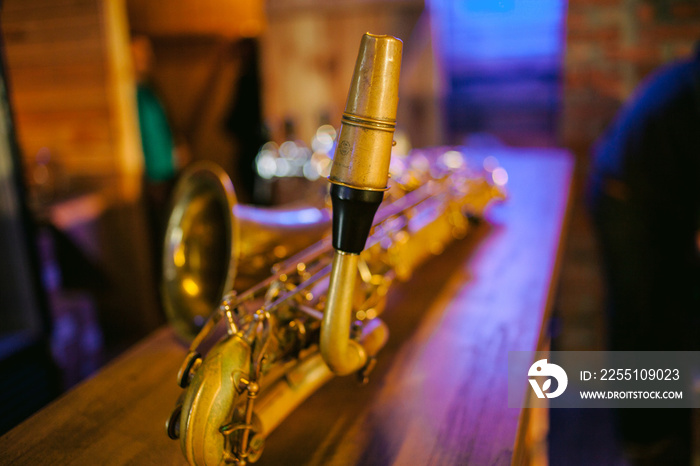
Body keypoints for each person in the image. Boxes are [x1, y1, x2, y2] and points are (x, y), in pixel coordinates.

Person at [588, 45, 700, 465]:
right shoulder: (691, 86)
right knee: (640, 318)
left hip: (652, 196)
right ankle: (645, 441)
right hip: (627, 198)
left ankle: (663, 431)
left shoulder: (689, 76)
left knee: (666, 317)